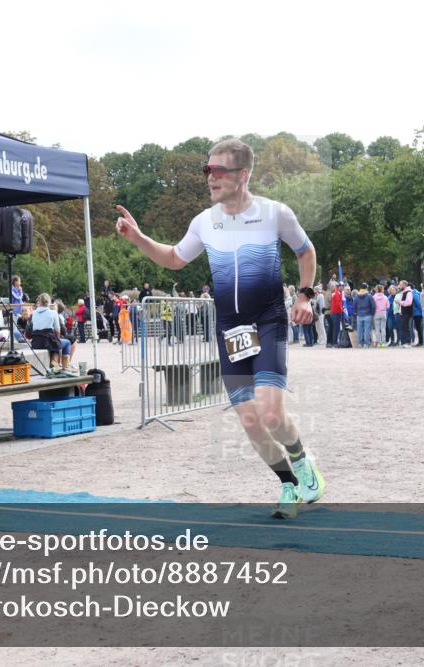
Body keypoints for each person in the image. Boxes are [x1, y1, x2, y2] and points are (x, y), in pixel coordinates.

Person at [114, 138, 324, 519]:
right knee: (249, 419)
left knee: (272, 413)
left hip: (268, 321)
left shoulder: (275, 213)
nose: (211, 177)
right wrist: (139, 238)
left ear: (243, 175)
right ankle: (289, 484)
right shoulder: (204, 221)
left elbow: (305, 251)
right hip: (230, 329)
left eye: (219, 170)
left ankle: (302, 460)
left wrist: (305, 296)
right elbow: (175, 258)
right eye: (207, 170)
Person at [31, 293, 75, 373]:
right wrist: (57, 339)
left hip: (35, 342)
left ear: (39, 302)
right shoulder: (53, 312)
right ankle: (65, 367)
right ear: (49, 302)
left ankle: (55, 362)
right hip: (47, 341)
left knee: (55, 342)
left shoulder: (34, 313)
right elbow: (58, 330)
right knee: (66, 343)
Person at [329, 281, 345, 348]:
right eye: (342, 286)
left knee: (335, 328)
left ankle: (334, 342)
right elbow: (339, 304)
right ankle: (335, 343)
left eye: (343, 286)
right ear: (339, 286)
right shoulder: (337, 294)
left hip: (334, 312)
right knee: (336, 328)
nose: (343, 287)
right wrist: (342, 311)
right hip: (336, 313)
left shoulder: (337, 293)